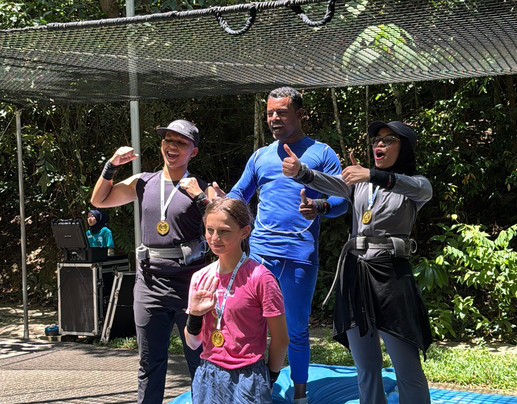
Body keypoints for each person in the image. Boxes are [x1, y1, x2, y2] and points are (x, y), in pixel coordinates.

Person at [282, 120, 432, 403]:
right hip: (354, 275)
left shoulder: (417, 184)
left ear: (405, 148)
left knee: (407, 368)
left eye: (389, 140)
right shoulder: (362, 184)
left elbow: (417, 188)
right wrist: (302, 172)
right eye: (376, 140)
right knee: (366, 368)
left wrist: (371, 174)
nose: (379, 144)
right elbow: (330, 183)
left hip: (391, 276)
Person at [214, 86, 348, 403]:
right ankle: (252, 387)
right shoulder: (261, 156)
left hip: (299, 257)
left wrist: (319, 207)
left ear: (299, 114)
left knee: (296, 329)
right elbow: (239, 195)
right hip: (260, 255)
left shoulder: (322, 153)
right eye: (270, 113)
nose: (274, 118)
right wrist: (221, 201)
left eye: (281, 112)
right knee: (249, 325)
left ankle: (300, 394)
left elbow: (343, 200)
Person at [90, 119, 215, 404]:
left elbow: (221, 226)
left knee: (200, 360)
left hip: (191, 286)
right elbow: (99, 200)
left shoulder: (201, 187)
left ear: (193, 151)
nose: (172, 146)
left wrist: (200, 198)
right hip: (149, 284)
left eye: (181, 142)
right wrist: (112, 165)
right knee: (150, 363)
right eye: (168, 140)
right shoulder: (143, 182)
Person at [184, 197, 289, 403]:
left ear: (244, 232)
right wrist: (194, 315)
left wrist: (270, 377)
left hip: (248, 376)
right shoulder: (200, 278)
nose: (215, 238)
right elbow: (193, 343)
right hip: (208, 375)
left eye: (224, 231)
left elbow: (281, 338)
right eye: (210, 230)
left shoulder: (260, 278)